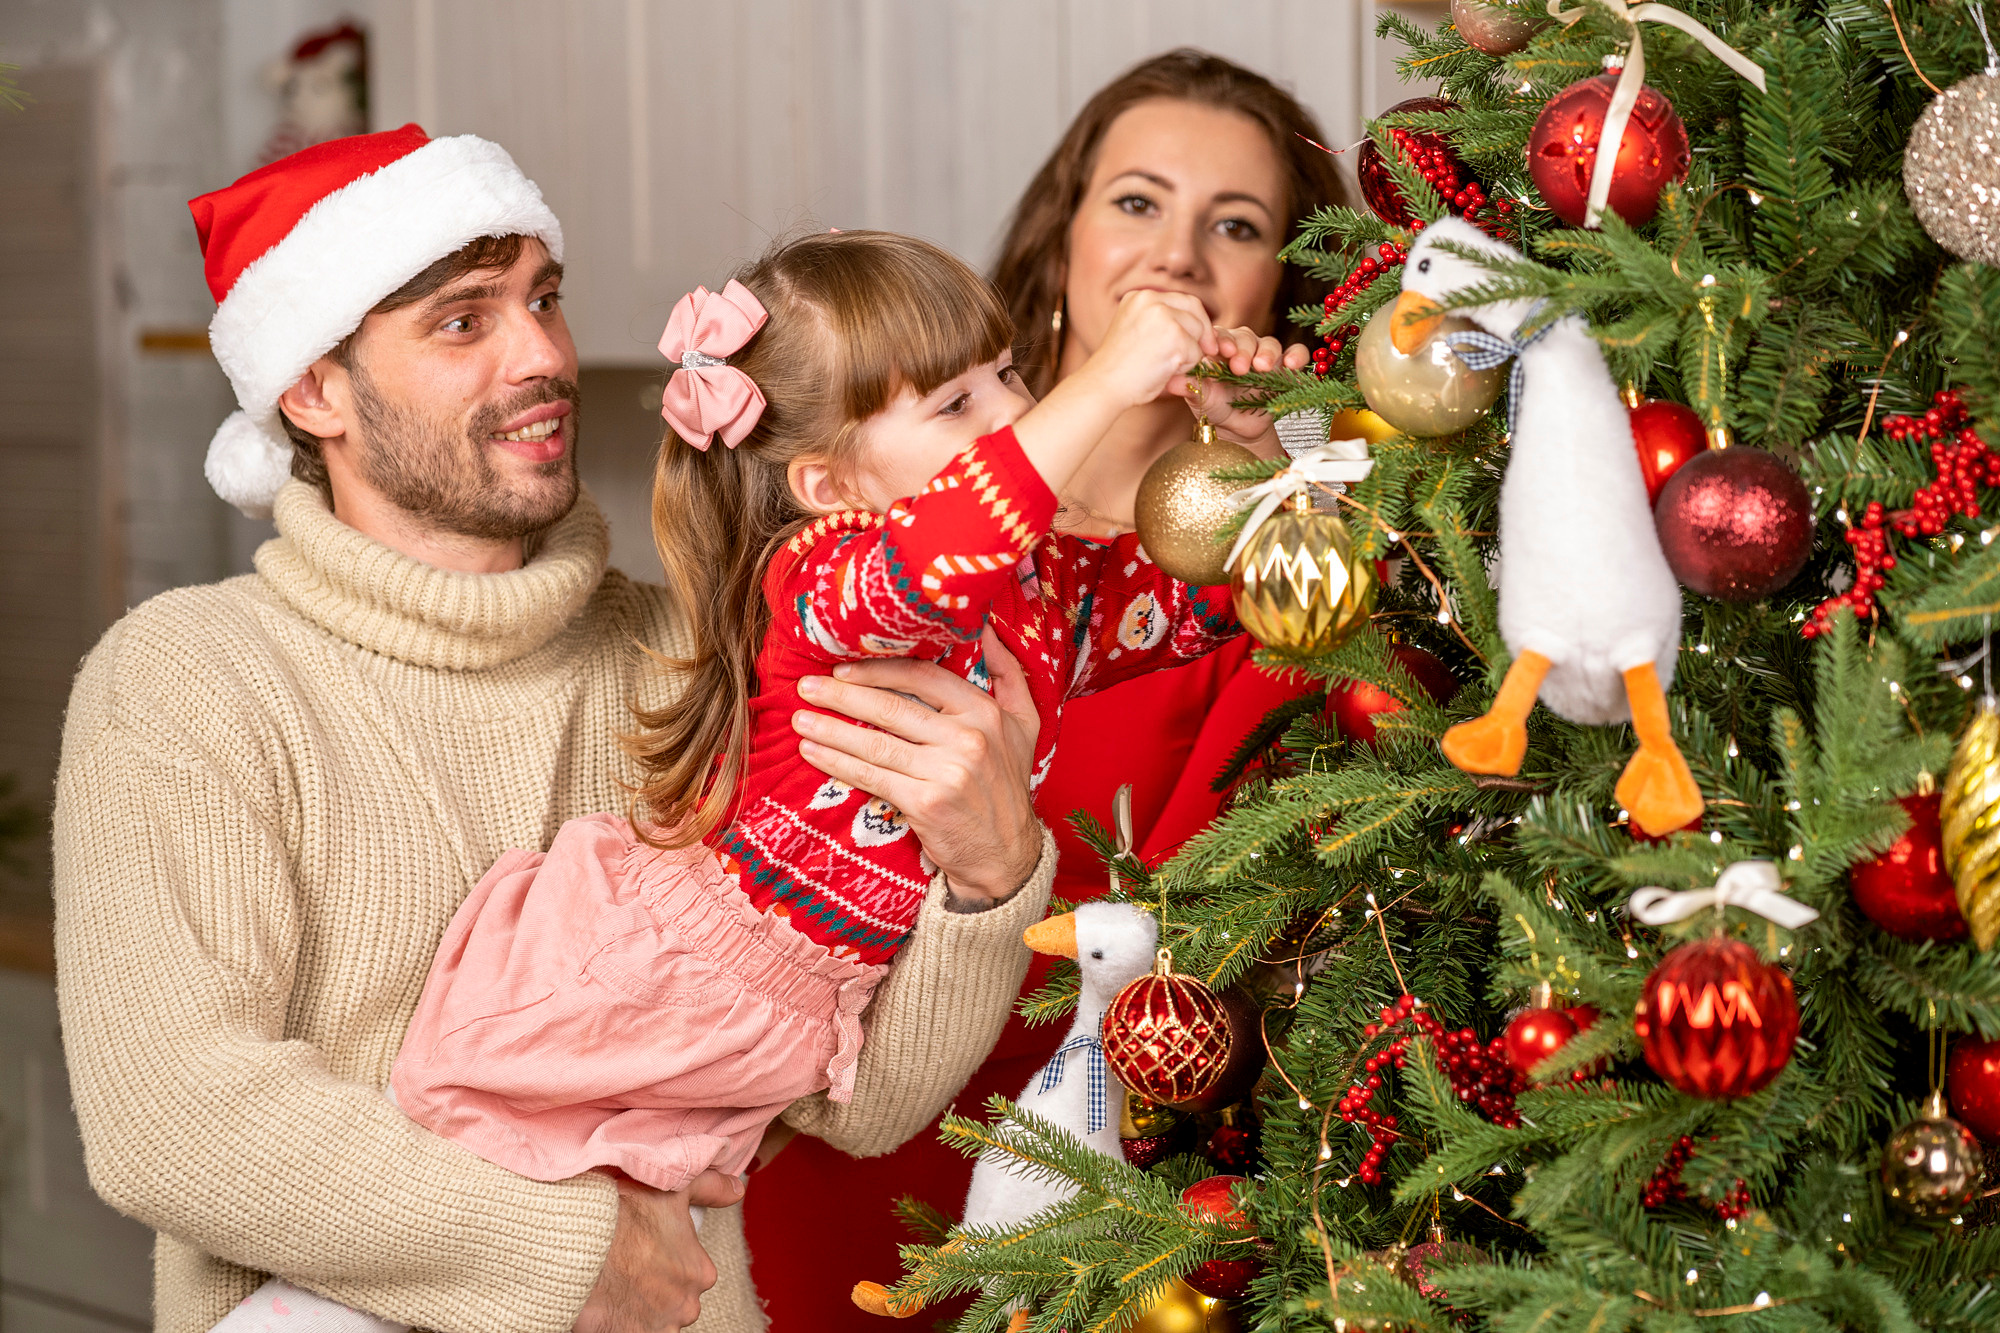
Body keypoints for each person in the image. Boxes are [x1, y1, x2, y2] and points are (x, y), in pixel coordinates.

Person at [51, 126, 1059, 1333]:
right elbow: (175, 1119)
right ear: (313, 389)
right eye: (464, 321)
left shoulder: (698, 660)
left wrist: (988, 877)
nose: (544, 354)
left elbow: (860, 1103)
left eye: (545, 298)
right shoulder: (190, 681)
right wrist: (575, 1249)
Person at [745, 49, 1349, 1327]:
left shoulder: (1234, 572)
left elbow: (1294, 861)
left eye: (1231, 226)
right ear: (1062, 233)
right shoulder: (890, 523)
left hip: (1098, 1158)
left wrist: (1270, 466)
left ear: (1273, 278)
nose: (1176, 258)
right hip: (839, 1120)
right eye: (1136, 202)